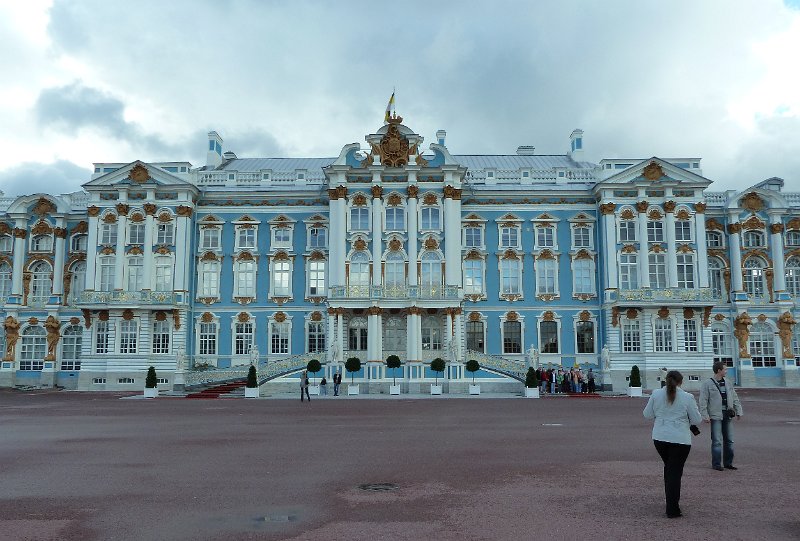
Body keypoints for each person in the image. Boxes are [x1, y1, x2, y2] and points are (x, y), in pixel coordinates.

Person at [643, 370, 702, 518]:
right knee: (675, 472)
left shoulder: (656, 394)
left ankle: (670, 502)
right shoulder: (687, 397)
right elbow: (696, 420)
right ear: (681, 382)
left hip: (660, 437)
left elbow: (647, 414)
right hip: (680, 438)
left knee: (669, 469)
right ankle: (672, 508)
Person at [699, 362, 743, 471]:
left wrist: (738, 411)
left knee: (729, 440)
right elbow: (703, 400)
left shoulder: (728, 383)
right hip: (715, 415)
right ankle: (717, 463)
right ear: (719, 370)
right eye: (725, 369)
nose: (726, 371)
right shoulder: (707, 384)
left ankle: (728, 462)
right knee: (716, 440)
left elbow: (734, 397)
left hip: (727, 414)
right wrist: (704, 415)